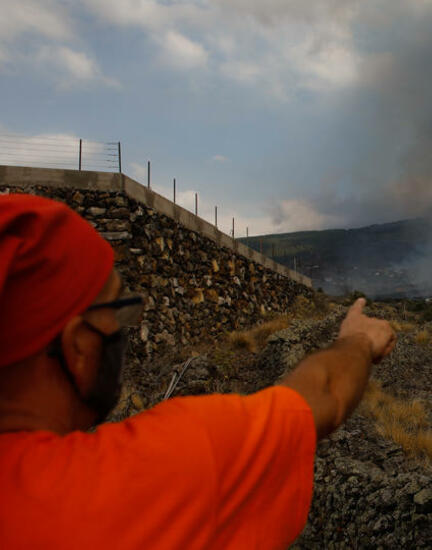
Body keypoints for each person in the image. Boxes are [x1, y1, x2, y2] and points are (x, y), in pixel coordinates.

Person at [0, 194, 396, 549]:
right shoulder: (156, 471)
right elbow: (324, 395)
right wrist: (358, 339)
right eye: (116, 312)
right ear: (78, 348)